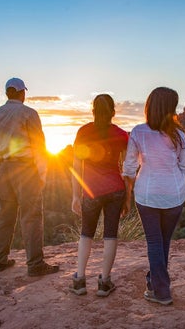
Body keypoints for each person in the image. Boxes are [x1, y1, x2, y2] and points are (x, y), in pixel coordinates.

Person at [0, 77, 59, 276]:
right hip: (26, 169)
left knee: (4, 216)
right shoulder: (29, 113)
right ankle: (35, 264)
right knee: (31, 217)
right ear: (23, 93)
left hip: (5, 169)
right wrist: (41, 174)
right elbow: (40, 147)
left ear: (7, 93)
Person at [123, 87, 185, 306]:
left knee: (155, 242)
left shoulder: (138, 132)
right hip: (174, 195)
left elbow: (129, 168)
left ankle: (161, 290)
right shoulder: (179, 135)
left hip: (147, 195)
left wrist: (127, 191)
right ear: (170, 109)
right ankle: (155, 281)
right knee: (163, 241)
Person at [68, 94, 129, 297]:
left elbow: (77, 165)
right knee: (110, 235)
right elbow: (128, 169)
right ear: (113, 112)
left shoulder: (84, 132)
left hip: (91, 191)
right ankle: (104, 283)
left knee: (86, 234)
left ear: (93, 111)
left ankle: (80, 281)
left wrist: (76, 195)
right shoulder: (121, 135)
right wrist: (127, 198)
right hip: (115, 190)